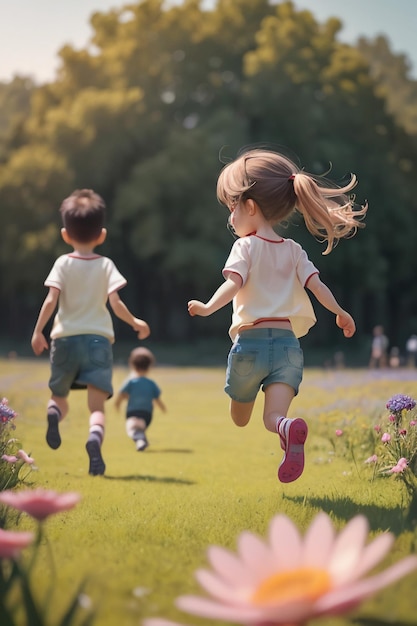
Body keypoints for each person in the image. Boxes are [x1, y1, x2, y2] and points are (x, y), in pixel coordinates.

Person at [188, 148, 367, 483]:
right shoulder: (294, 250)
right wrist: (340, 312)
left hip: (250, 346)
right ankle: (286, 428)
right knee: (274, 417)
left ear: (251, 207)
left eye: (232, 207)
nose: (230, 218)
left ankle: (277, 424)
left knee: (240, 418)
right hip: (288, 348)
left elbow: (233, 283)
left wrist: (209, 307)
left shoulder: (246, 247)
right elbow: (318, 287)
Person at [31, 189, 150, 476]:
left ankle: (53, 413)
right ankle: (94, 439)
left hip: (63, 339)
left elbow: (51, 300)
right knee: (97, 407)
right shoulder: (105, 265)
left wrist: (38, 332)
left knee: (59, 397)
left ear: (65, 234)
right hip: (97, 341)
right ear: (102, 235)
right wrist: (136, 322)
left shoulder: (62, 263)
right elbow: (116, 303)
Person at [115, 347, 166, 451]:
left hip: (132, 412)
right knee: (139, 428)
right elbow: (157, 399)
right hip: (147, 415)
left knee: (131, 429)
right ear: (149, 366)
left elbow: (121, 395)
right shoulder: (151, 383)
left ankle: (140, 440)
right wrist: (162, 408)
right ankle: (141, 440)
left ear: (132, 365)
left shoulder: (130, 381)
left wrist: (117, 405)